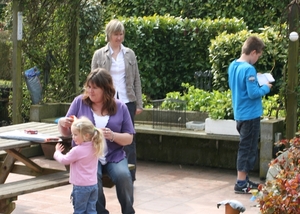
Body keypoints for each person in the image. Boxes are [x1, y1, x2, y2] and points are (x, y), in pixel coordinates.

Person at [58, 68, 135, 214]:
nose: (90, 91)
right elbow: (67, 132)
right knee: (93, 178)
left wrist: (113, 136)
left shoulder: (120, 107)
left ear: (106, 89)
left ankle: (128, 211)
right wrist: (62, 123)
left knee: (124, 176)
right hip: (88, 156)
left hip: (114, 155)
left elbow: (129, 138)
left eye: (95, 87)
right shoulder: (79, 103)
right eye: (88, 86)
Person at [91, 19, 143, 182]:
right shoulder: (99, 54)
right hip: (107, 102)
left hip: (127, 101)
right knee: (105, 135)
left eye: (121, 34)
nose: (119, 38)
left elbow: (136, 80)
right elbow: (92, 80)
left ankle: (130, 176)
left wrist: (139, 103)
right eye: (116, 34)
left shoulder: (129, 54)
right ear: (109, 35)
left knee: (128, 138)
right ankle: (107, 173)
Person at [228, 36, 272, 194]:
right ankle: (241, 183)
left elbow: (240, 87)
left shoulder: (233, 65)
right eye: (258, 55)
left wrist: (254, 80)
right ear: (253, 52)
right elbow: (253, 93)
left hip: (240, 113)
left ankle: (244, 180)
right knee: (248, 149)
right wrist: (266, 87)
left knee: (245, 147)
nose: (258, 58)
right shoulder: (249, 69)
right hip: (250, 115)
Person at [54, 116, 104, 214]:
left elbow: (64, 160)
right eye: (72, 134)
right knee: (91, 210)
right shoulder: (95, 146)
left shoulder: (77, 150)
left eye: (76, 134)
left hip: (81, 187)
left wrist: (57, 152)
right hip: (93, 185)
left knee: (79, 211)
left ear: (86, 136)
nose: (73, 137)